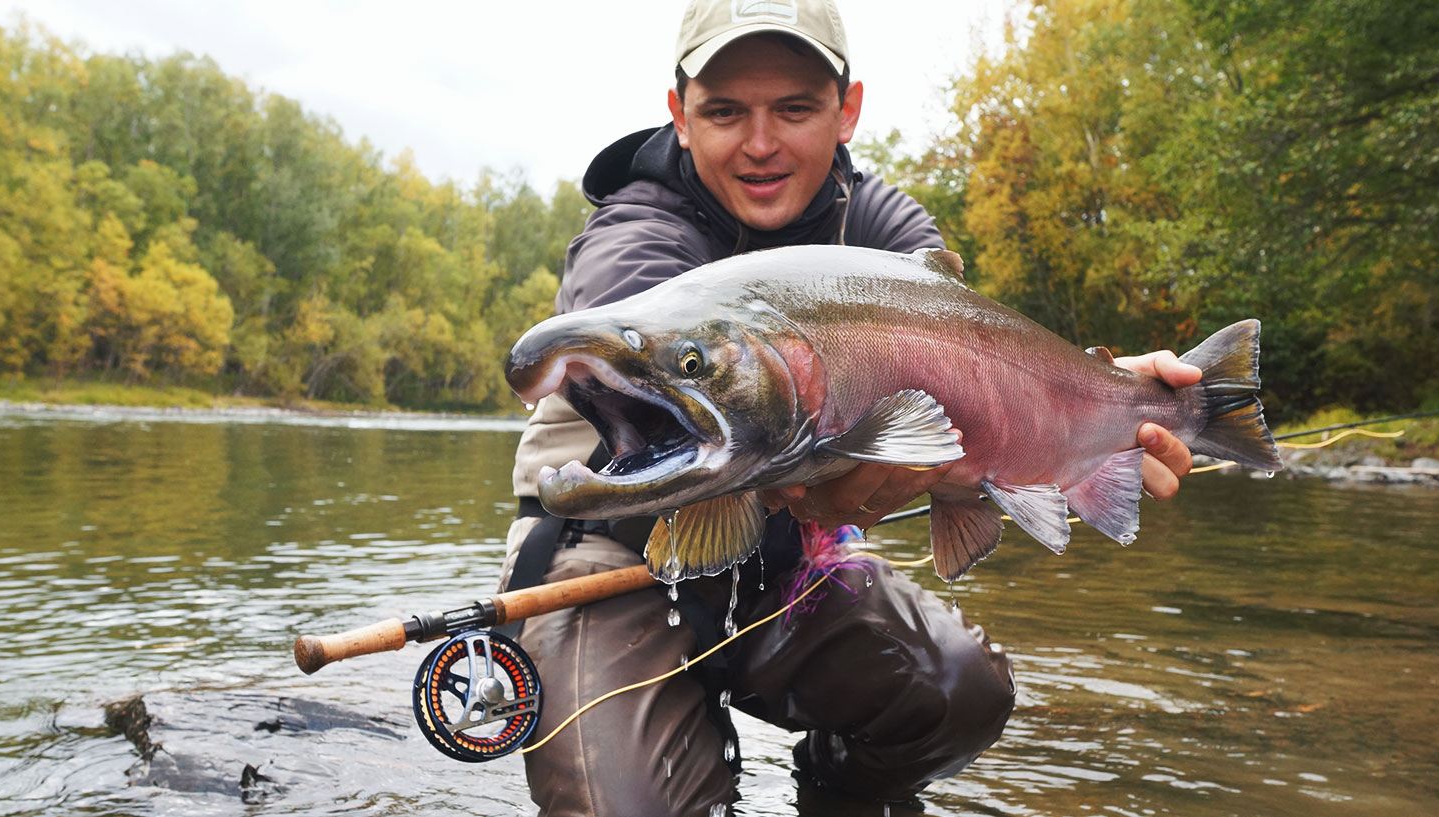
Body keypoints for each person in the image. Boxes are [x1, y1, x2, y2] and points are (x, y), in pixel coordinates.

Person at [497, 1, 1198, 813]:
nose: (761, 143)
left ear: (848, 110)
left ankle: (835, 796)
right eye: (726, 111)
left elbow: (979, 370)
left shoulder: (884, 230)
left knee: (958, 689)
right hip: (612, 561)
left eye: (794, 109)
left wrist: (1097, 404)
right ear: (679, 116)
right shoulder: (634, 238)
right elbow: (667, 370)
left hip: (786, 563)